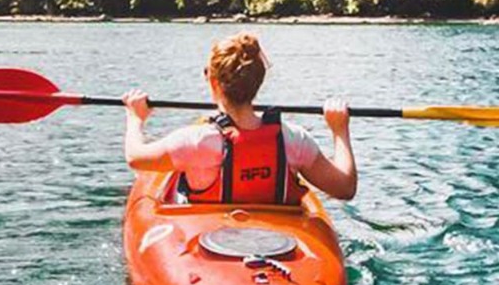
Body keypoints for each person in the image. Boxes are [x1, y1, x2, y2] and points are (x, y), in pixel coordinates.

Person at [123, 32, 356, 203]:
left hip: (210, 238)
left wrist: (135, 118)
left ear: (213, 82)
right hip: (274, 239)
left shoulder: (195, 141)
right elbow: (345, 188)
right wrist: (339, 130)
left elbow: (135, 157)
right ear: (259, 81)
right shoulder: (294, 139)